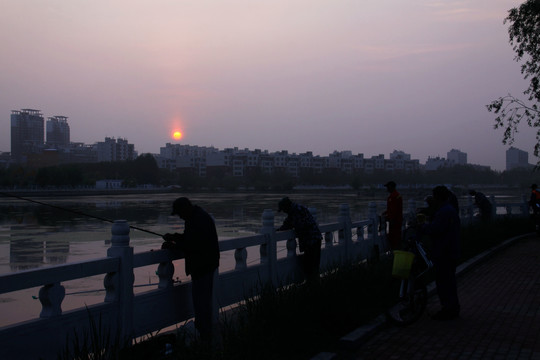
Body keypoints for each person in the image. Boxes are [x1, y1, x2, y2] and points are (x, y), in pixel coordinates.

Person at [162, 197, 220, 342]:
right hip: (206, 265)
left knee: (201, 303)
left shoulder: (197, 219)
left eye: (179, 213)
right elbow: (190, 238)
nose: (179, 217)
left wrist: (173, 245)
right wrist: (174, 237)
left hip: (203, 266)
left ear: (185, 209)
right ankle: (204, 333)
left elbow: (193, 245)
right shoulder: (196, 216)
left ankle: (204, 335)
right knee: (203, 302)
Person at [422, 185, 461, 321]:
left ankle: (448, 309)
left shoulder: (444, 212)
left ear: (438, 197)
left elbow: (436, 228)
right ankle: (452, 308)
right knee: (449, 282)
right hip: (450, 251)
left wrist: (423, 227)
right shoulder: (448, 209)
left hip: (445, 252)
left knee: (444, 283)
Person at [276, 197, 322, 284]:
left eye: (283, 209)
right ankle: (315, 285)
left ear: (287, 207)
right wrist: (278, 230)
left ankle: (313, 286)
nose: (283, 212)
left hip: (312, 241)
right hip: (314, 239)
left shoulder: (296, 211)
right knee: (313, 266)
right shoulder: (296, 210)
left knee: (310, 266)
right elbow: (288, 223)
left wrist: (283, 228)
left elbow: (297, 225)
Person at [382, 181, 403, 250]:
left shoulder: (394, 196)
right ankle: (395, 251)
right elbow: (391, 208)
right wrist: (385, 213)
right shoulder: (396, 195)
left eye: (388, 187)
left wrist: (391, 219)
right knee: (396, 237)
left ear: (391, 187)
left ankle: (395, 253)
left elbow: (394, 210)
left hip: (394, 221)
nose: (387, 189)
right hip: (397, 220)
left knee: (394, 238)